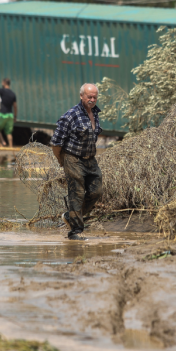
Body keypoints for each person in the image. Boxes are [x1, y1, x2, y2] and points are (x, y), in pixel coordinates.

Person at [50, 83, 103, 240]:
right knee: (77, 193)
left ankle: (69, 216)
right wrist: (61, 160)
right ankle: (75, 232)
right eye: (89, 96)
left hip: (90, 159)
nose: (92, 99)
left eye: (94, 97)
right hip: (72, 158)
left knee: (96, 191)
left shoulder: (95, 113)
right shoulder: (70, 116)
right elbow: (56, 142)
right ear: (81, 96)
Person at [0, 78, 17, 148]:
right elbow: (15, 106)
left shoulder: (2, 91)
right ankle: (10, 147)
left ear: (4, 83)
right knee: (9, 132)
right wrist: (15, 116)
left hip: (2, 114)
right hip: (10, 115)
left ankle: (2, 142)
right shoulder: (13, 93)